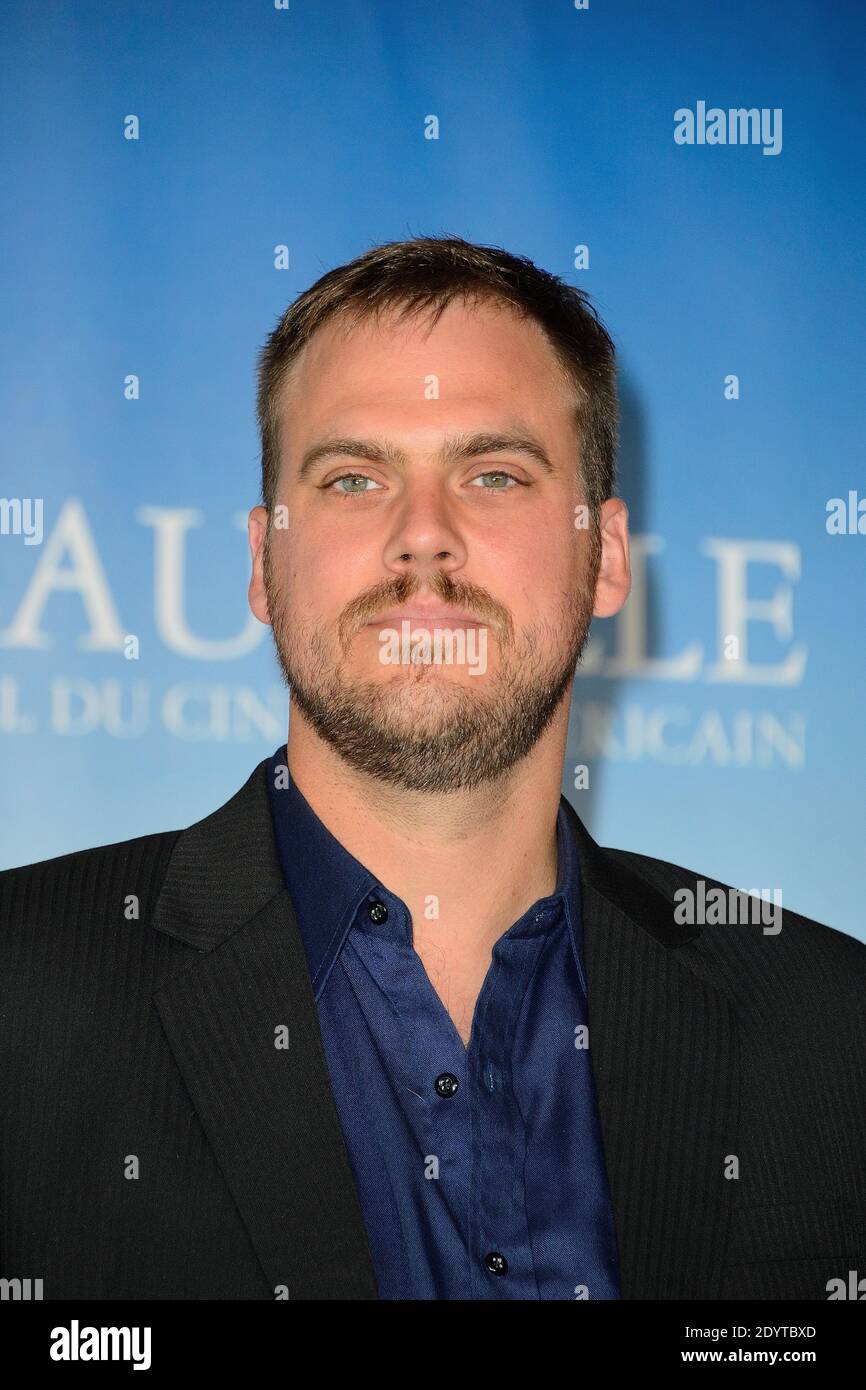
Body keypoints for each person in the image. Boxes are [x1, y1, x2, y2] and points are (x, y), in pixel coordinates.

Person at [2, 236, 864, 1301]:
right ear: (262, 562)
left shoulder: (831, 1026)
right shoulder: (19, 1007)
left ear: (605, 557)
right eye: (354, 478)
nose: (423, 540)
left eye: (493, 474)